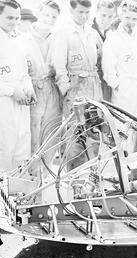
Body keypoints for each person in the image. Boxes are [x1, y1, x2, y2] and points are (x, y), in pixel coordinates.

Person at [51, 0, 103, 170]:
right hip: (75, 89)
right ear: (71, 10)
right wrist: (67, 91)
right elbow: (59, 66)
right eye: (80, 12)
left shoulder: (91, 32)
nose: (84, 16)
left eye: (87, 12)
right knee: (75, 135)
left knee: (95, 132)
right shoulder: (63, 32)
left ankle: (94, 177)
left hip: (93, 87)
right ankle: (72, 179)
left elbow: (100, 57)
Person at [18, 1, 62, 169]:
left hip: (53, 88)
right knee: (31, 134)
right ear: (38, 13)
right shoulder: (23, 38)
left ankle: (44, 176)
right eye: (46, 15)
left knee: (52, 133)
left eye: (53, 16)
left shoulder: (58, 37)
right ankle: (28, 177)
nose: (49, 19)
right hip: (32, 89)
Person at [0, 0, 36, 172]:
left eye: (17, 18)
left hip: (21, 103)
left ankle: (18, 194)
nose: (14, 22)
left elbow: (24, 73)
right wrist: (11, 91)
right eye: (9, 18)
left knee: (22, 149)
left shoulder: (18, 39)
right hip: (3, 103)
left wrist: (29, 88)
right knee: (4, 150)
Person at [102, 0, 137, 115]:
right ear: (121, 16)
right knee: (122, 127)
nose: (130, 22)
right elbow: (108, 70)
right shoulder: (113, 38)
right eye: (127, 18)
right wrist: (118, 87)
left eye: (134, 19)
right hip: (123, 92)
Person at [92, 0, 116, 100]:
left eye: (110, 17)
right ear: (96, 13)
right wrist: (102, 52)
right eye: (103, 15)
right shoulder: (88, 32)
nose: (106, 20)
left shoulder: (111, 32)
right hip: (94, 83)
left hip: (108, 81)